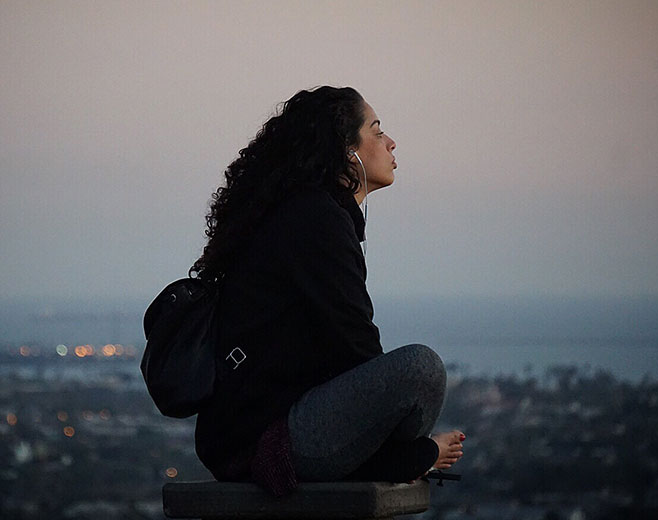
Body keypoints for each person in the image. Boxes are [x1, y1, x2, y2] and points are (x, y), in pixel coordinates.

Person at [191, 86, 464, 495]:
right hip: (268, 441)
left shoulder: (309, 212)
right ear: (346, 151)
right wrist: (390, 417)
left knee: (415, 375)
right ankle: (401, 461)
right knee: (421, 369)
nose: (391, 142)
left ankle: (396, 460)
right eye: (377, 131)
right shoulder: (315, 217)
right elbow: (354, 342)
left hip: (258, 433)